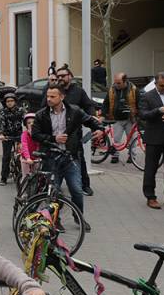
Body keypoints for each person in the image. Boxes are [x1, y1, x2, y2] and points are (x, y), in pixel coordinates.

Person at [32, 83, 103, 230]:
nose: (49, 99)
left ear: (62, 97)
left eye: (53, 96)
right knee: (53, 191)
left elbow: (90, 121)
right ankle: (55, 220)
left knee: (76, 189)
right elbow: (35, 134)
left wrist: (100, 129)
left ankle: (78, 217)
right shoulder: (41, 115)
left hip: (70, 157)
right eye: (47, 96)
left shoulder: (75, 111)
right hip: (51, 158)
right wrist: (53, 139)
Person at [43, 65, 96, 195]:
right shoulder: (52, 90)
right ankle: (51, 186)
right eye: (58, 76)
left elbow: (88, 106)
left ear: (70, 77)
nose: (60, 78)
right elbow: (43, 107)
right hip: (54, 133)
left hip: (73, 134)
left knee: (78, 159)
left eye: (63, 76)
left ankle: (84, 185)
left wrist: (93, 117)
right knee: (51, 160)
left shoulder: (78, 91)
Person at [140, 72, 164, 210]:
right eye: (162, 86)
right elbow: (143, 115)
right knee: (151, 168)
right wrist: (158, 110)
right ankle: (150, 197)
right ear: (156, 83)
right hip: (154, 137)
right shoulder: (147, 96)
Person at [101, 72, 138, 164]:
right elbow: (106, 103)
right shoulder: (111, 90)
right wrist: (103, 114)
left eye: (119, 83)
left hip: (130, 118)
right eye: (115, 82)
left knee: (132, 139)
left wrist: (139, 114)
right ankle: (115, 156)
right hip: (116, 118)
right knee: (116, 139)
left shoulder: (133, 89)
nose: (116, 85)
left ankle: (131, 156)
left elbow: (139, 102)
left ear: (125, 81)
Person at [0, 93, 24, 185]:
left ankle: (22, 175)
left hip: (19, 136)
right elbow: (1, 124)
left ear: (15, 102)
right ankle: (3, 177)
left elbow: (26, 122)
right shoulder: (3, 112)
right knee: (6, 157)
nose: (10, 103)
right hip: (7, 136)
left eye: (12, 101)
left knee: (21, 155)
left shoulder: (20, 111)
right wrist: (1, 134)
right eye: (8, 101)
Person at [20, 113, 40, 177]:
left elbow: (39, 145)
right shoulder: (24, 134)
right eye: (29, 123)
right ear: (26, 125)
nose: (31, 124)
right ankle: (24, 185)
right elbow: (24, 146)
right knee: (26, 175)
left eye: (33, 122)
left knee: (36, 176)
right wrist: (28, 158)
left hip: (36, 157)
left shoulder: (39, 134)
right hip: (26, 158)